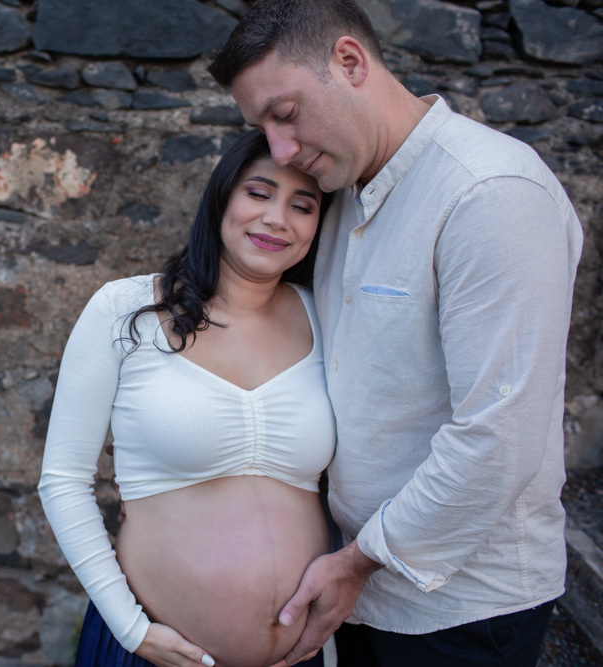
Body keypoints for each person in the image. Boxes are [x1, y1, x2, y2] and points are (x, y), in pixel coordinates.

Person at [206, 1, 584, 665]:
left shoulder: (488, 192)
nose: (281, 150)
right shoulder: (343, 192)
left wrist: (358, 560)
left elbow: (498, 436)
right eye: (263, 127)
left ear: (350, 62)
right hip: (354, 590)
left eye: (286, 114)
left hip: (461, 610)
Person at [39, 129, 337, 667]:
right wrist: (130, 628)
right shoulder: (125, 309)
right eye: (259, 193)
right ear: (222, 197)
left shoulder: (328, 316)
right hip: (154, 650)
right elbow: (63, 480)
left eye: (303, 205)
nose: (277, 219)